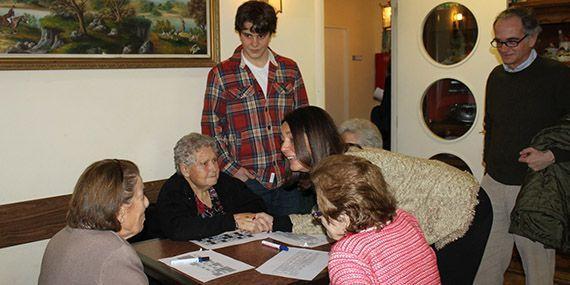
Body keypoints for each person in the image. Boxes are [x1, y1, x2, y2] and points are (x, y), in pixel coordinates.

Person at [280, 106, 492, 284]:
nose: (283, 147)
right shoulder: (335, 169)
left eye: (291, 139)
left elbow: (338, 218)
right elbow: (332, 218)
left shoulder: (352, 168)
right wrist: (277, 222)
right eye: (282, 139)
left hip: (462, 204)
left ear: (314, 138)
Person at [476, 7, 570, 285]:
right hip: (494, 182)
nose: (504, 48)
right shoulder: (495, 77)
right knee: (485, 262)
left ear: (532, 39)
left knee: (537, 269)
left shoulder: (558, 76)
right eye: (499, 41)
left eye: (512, 41)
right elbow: (491, 123)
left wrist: (553, 155)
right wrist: (488, 161)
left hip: (535, 188)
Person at [201, 0, 310, 216]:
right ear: (239, 33)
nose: (254, 42)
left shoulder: (289, 69)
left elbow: (303, 121)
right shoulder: (221, 74)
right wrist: (233, 169)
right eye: (247, 35)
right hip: (248, 179)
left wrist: (303, 162)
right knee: (252, 246)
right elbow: (211, 128)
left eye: (261, 35)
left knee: (295, 238)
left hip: (289, 176)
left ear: (271, 34)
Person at [312, 154, 441, 284]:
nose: (319, 217)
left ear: (343, 217)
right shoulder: (404, 218)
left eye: (320, 210)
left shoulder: (348, 255)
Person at [157, 133, 291, 241]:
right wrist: (233, 221)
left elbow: (257, 205)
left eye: (214, 161)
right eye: (204, 163)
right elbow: (178, 229)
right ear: (185, 169)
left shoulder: (224, 182)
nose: (213, 169)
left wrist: (250, 220)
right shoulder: (173, 190)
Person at [39, 159, 149, 285]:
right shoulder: (116, 255)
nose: (146, 202)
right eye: (141, 196)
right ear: (121, 210)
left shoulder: (59, 238)